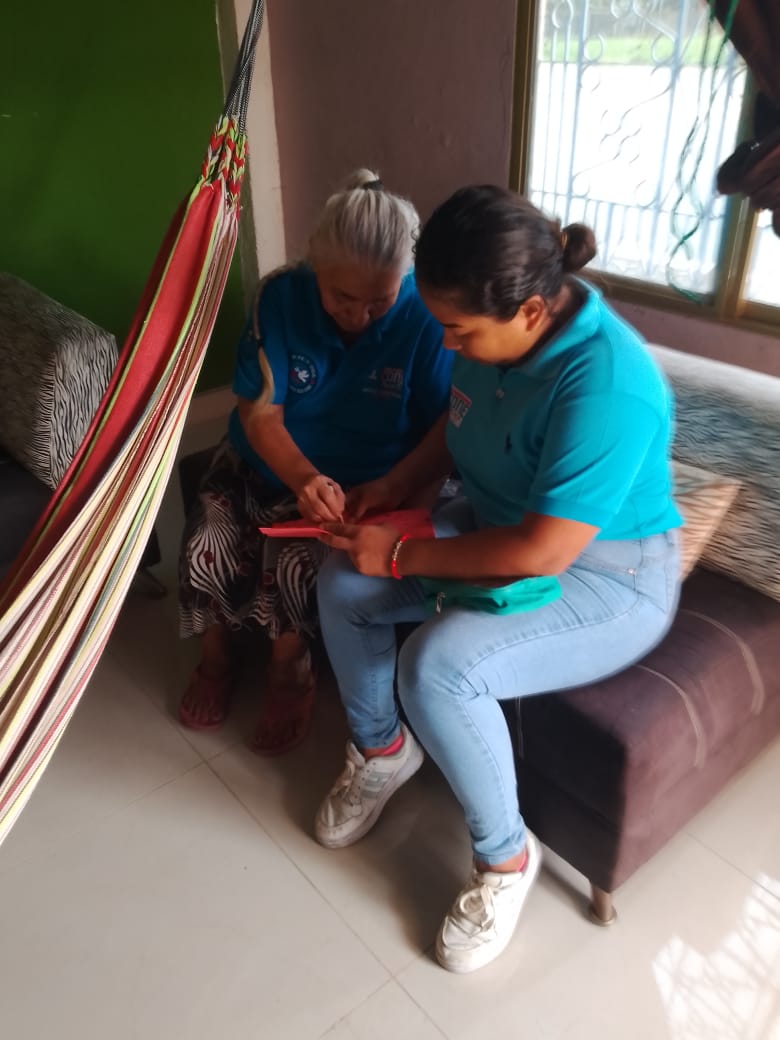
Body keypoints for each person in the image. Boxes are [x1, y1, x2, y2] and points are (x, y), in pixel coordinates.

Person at [313, 186, 683, 973]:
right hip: (496, 523)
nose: (446, 343)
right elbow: (457, 424)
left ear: (532, 312)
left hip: (607, 577)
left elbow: (542, 553)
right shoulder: (493, 335)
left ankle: (506, 860)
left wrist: (402, 555)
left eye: (458, 331)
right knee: (344, 584)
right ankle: (382, 752)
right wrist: (396, 487)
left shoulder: (607, 386)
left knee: (440, 668)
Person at [177, 169, 453, 755]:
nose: (359, 316)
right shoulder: (279, 298)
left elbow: (444, 427)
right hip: (270, 456)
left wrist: (394, 486)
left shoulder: (426, 317)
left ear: (403, 279)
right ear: (313, 268)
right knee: (208, 530)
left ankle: (290, 668)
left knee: (298, 559)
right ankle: (215, 654)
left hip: (364, 480)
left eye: (378, 301)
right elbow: (261, 413)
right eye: (342, 298)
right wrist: (302, 477)